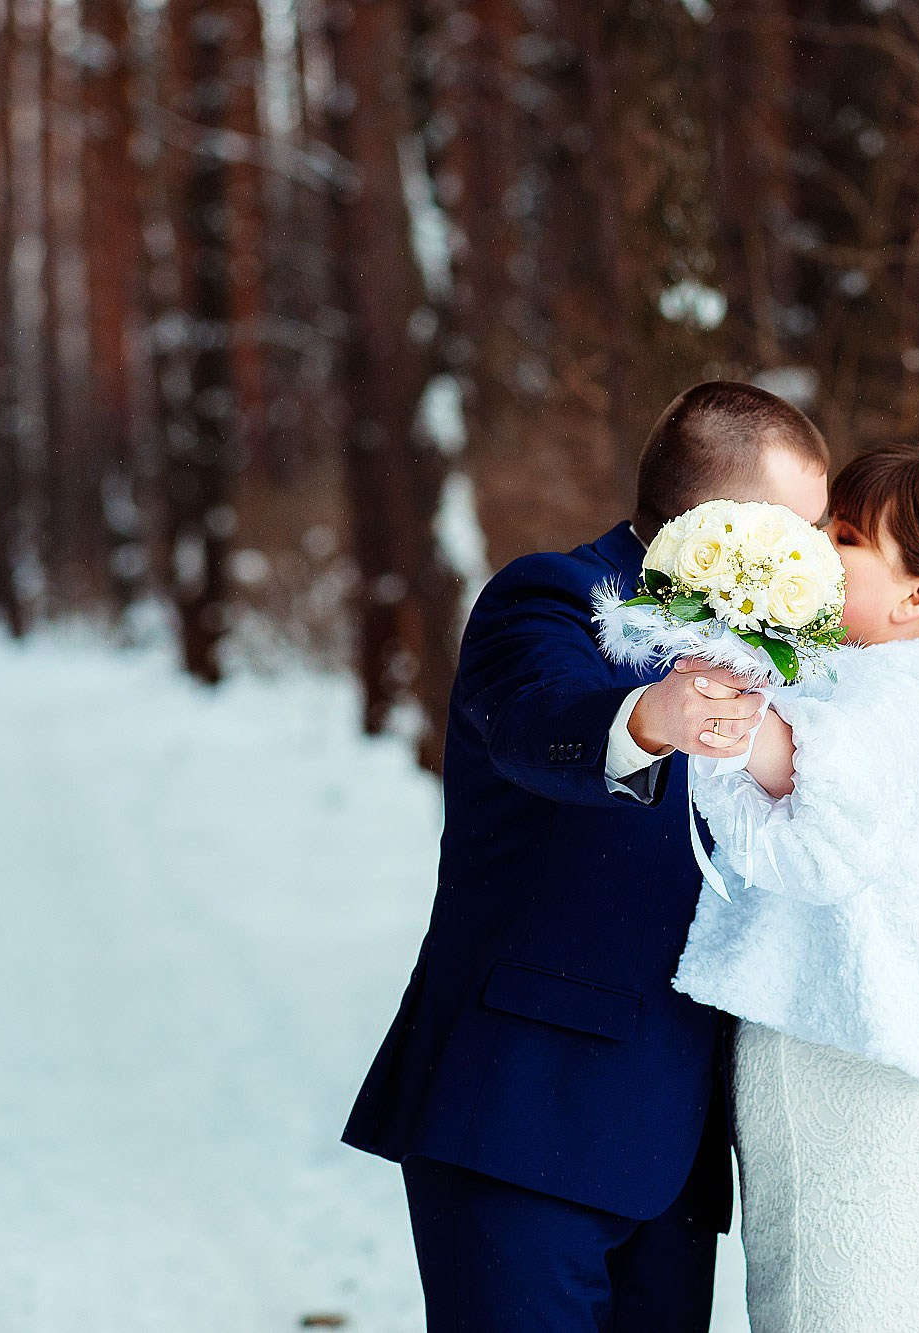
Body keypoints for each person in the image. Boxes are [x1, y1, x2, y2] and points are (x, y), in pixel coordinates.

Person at [340, 380, 828, 1332]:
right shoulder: (550, 597)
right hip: (522, 1118)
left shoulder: (788, 653)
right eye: (797, 530)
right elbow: (535, 718)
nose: (817, 562)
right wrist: (646, 719)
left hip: (677, 1150)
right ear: (717, 522)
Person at [668, 442, 919, 1332]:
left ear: (916, 595)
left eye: (844, 537)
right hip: (888, 1115)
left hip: (886, 1129)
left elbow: (821, 822)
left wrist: (720, 696)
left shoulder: (891, 707)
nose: (814, 548)